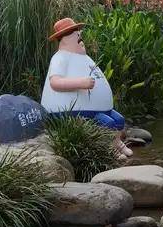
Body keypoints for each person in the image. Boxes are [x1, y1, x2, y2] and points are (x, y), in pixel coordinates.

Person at [41, 17, 133, 158]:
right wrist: (81, 83)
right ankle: (109, 149)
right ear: (65, 40)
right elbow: (55, 82)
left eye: (79, 34)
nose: (80, 38)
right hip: (71, 110)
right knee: (106, 122)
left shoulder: (83, 57)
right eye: (76, 35)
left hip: (98, 108)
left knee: (118, 119)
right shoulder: (60, 58)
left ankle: (117, 143)